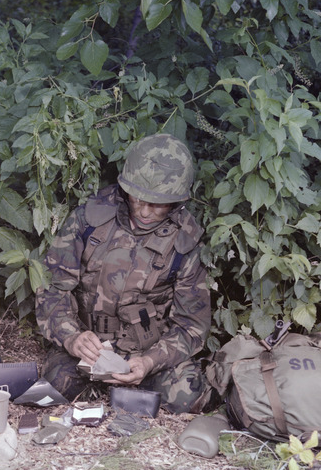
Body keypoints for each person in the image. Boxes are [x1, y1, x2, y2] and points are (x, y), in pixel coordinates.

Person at [35, 133, 212, 413]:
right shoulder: (89, 219)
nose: (143, 210)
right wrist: (71, 337)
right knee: (56, 386)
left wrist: (150, 361)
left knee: (186, 397)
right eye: (137, 198)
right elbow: (53, 288)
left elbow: (191, 326)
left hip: (145, 351)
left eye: (157, 204)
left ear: (177, 202)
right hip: (88, 347)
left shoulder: (185, 243)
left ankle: (134, 381)